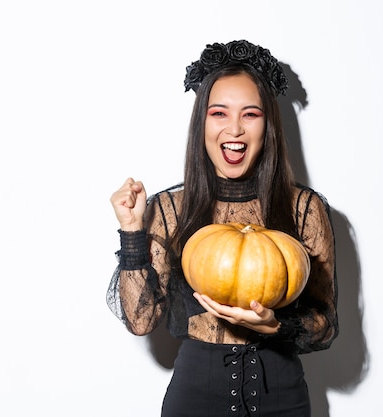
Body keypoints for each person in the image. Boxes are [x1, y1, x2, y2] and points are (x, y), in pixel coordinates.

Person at [107, 39, 338, 417]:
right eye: (219, 113)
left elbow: (325, 324)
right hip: (195, 397)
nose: (234, 129)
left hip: (283, 398)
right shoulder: (169, 208)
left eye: (251, 114)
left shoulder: (304, 209)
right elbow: (140, 320)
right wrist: (133, 231)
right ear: (202, 123)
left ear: (269, 125)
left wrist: (275, 325)